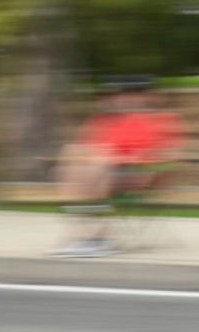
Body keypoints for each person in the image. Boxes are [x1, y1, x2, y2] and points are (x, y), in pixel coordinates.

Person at [50, 77, 184, 258]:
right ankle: (88, 237)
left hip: (141, 175)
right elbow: (86, 149)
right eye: (114, 96)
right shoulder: (101, 121)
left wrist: (116, 157)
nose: (120, 100)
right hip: (105, 172)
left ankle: (96, 239)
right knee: (74, 161)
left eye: (136, 95)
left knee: (92, 168)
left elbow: (170, 155)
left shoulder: (163, 120)